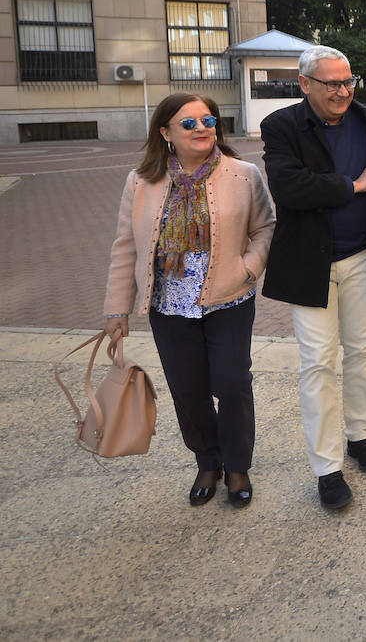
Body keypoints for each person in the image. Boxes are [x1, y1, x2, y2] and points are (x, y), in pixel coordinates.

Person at [260, 46, 366, 511]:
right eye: (331, 83)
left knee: (362, 349)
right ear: (304, 83)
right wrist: (355, 185)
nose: (342, 91)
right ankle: (327, 467)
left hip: (363, 256)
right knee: (318, 362)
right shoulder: (281, 127)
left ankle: (360, 435)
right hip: (309, 262)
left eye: (347, 81)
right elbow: (290, 188)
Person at [104, 93, 275, 508]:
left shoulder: (244, 174)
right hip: (169, 305)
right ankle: (207, 460)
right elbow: (126, 246)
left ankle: (237, 465)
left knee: (232, 384)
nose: (201, 128)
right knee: (188, 389)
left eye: (208, 121)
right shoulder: (140, 182)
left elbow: (265, 228)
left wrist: (248, 267)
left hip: (228, 299)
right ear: (165, 133)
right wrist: (117, 308)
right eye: (189, 123)